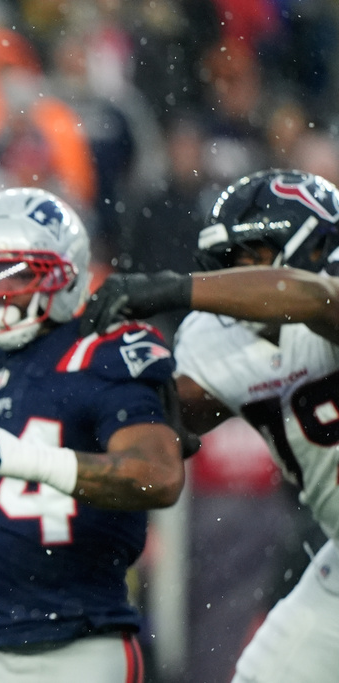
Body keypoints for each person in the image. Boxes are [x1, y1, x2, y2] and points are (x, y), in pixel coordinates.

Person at [0, 188, 186, 682]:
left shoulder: (101, 351)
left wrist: (24, 458)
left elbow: (159, 476)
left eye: (15, 275)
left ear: (64, 276)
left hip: (81, 643)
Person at [80, 168, 339, 683]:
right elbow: (175, 423)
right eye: (227, 262)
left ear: (309, 245)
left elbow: (315, 299)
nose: (233, 274)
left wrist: (176, 288)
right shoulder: (218, 337)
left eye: (251, 256)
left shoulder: (319, 295)